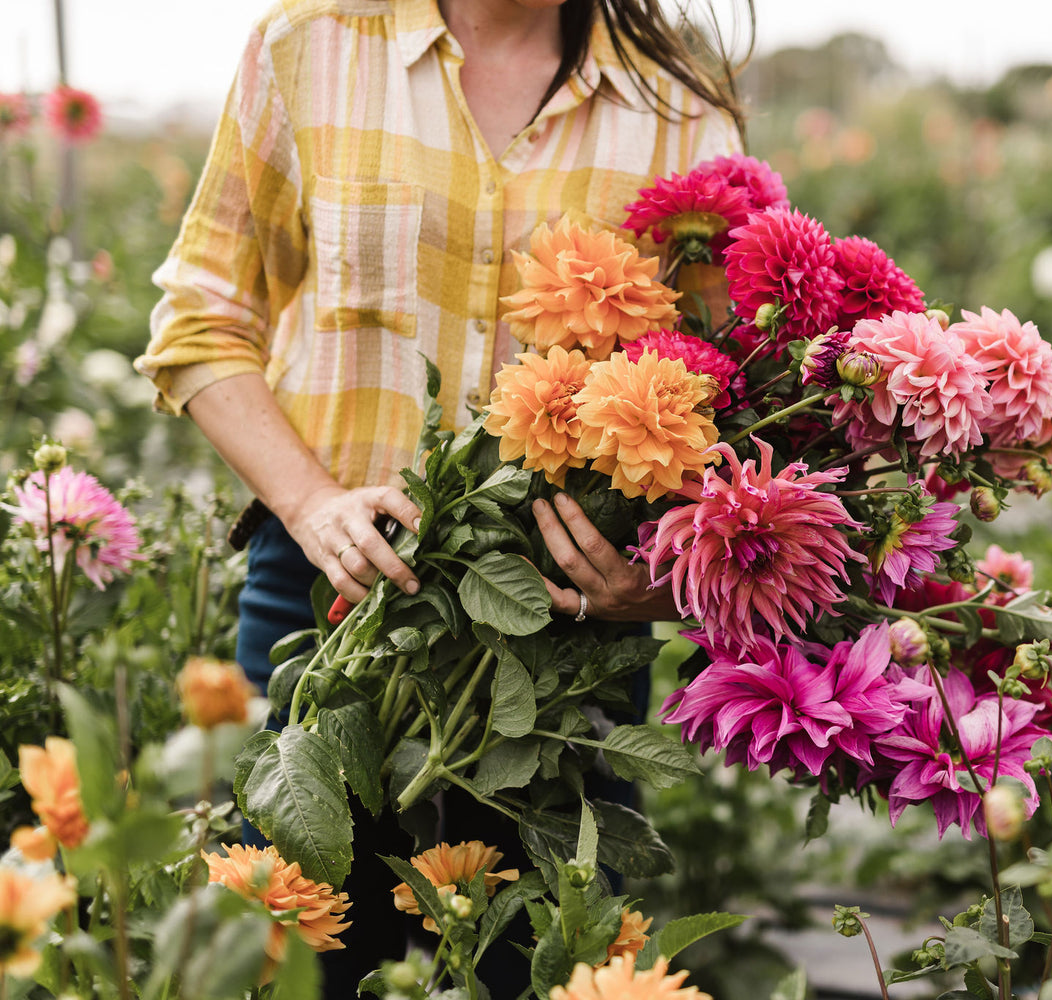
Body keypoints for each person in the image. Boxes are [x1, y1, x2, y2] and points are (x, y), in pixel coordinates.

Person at [136, 0, 747, 990]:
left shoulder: (678, 111)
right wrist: (309, 503)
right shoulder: (312, 44)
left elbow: (743, 395)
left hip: (565, 630)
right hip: (333, 597)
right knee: (295, 959)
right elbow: (202, 317)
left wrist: (665, 576)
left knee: (533, 968)